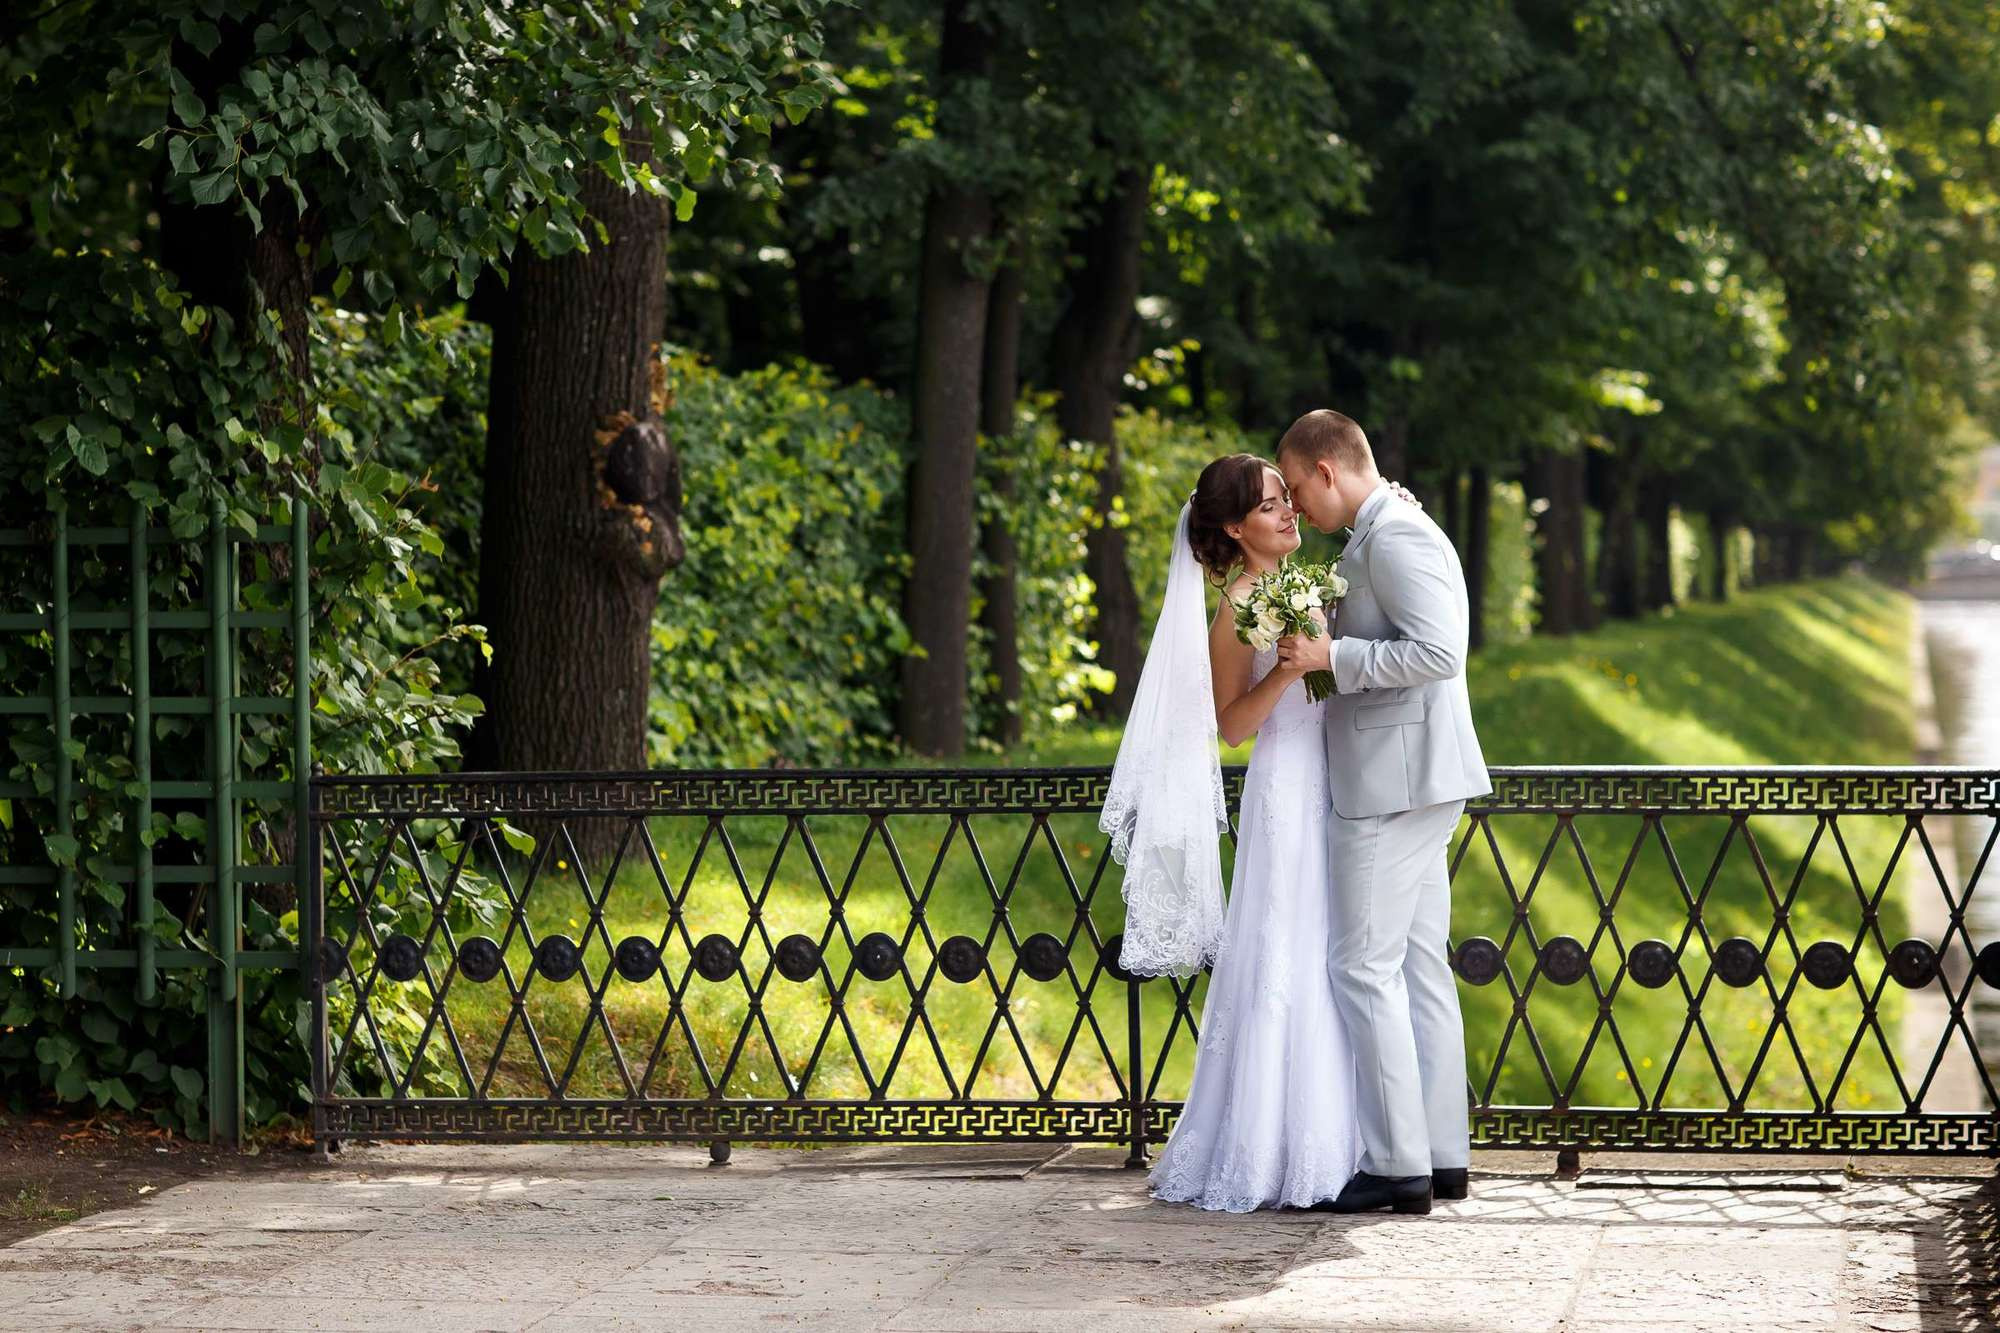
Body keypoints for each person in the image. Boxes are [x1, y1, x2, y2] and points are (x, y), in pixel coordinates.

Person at [1273, 409, 1492, 1215]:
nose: (1296, 509)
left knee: (1359, 966)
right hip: (1413, 774)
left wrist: (1333, 655)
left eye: (1297, 489)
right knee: (1415, 965)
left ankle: (1396, 1164)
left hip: (1392, 781)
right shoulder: (1383, 530)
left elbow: (1440, 652)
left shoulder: (1394, 535)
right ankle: (1441, 1156)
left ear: (1327, 470)